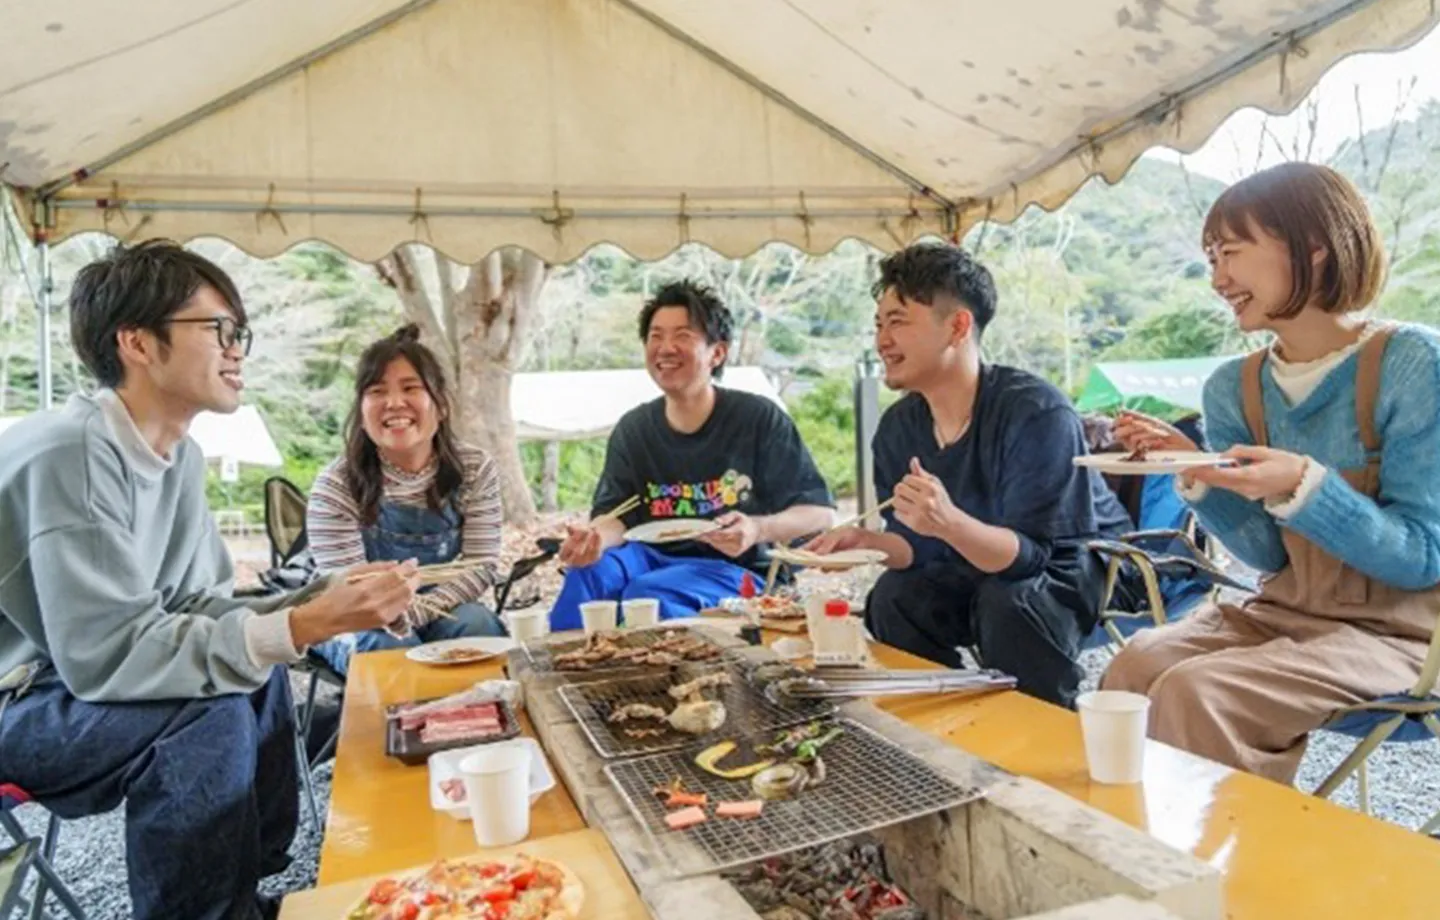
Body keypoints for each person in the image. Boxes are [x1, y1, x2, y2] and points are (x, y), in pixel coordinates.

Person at [0, 240, 419, 920]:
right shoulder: (71, 453)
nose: (236, 350)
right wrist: (301, 625)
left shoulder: (177, 453)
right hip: (22, 698)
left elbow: (195, 604)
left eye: (239, 332)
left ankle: (247, 888)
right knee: (208, 702)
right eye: (219, 329)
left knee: (253, 668)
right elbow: (108, 653)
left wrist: (326, 600)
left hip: (71, 679)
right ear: (137, 342)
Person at [1101, 162, 1440, 784]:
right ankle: (1134, 841)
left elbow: (1424, 557)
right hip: (1286, 613)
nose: (1217, 279)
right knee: (1133, 668)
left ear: (1313, 244)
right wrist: (1200, 471)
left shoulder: (1413, 363)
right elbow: (1267, 556)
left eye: (1231, 252)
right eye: (1211, 258)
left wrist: (1304, 486)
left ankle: (1225, 847)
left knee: (1200, 691)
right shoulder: (1235, 386)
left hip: (1403, 636)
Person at [809, 242, 1137, 707]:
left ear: (958, 327)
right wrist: (869, 542)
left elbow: (1029, 557)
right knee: (893, 597)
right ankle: (937, 719)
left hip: (1078, 564)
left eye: (898, 322)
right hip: (981, 563)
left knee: (1009, 603)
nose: (882, 340)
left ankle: (1041, 732)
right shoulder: (898, 428)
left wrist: (948, 522)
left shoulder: (1035, 411)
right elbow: (918, 547)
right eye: (879, 324)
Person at [549, 280, 835, 629]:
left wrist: (756, 528)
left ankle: (657, 663)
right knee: (587, 575)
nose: (666, 348)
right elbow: (615, 517)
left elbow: (819, 513)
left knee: (649, 593)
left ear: (717, 353)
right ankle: (563, 660)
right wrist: (592, 539)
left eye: (682, 335)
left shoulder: (757, 419)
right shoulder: (634, 429)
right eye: (655, 336)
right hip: (648, 557)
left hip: (737, 571)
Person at [306, 324, 508, 674]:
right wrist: (399, 622)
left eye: (411, 388)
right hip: (352, 614)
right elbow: (347, 588)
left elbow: (480, 564)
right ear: (362, 411)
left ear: (441, 405)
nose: (395, 403)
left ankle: (484, 710)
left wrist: (416, 613)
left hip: (438, 603)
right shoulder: (336, 484)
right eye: (377, 391)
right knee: (386, 646)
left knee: (477, 625)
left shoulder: (475, 468)